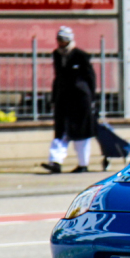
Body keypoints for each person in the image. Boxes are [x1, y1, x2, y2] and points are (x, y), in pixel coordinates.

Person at [42, 26, 97, 174]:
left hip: (80, 99)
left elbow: (90, 77)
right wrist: (54, 98)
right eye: (58, 40)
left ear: (68, 40)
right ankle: (55, 162)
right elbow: (58, 77)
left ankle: (83, 164)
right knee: (61, 130)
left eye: (62, 40)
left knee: (81, 132)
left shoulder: (81, 55)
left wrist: (92, 98)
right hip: (63, 98)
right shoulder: (57, 55)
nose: (59, 43)